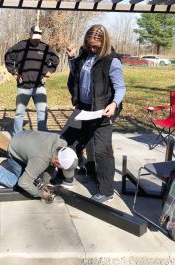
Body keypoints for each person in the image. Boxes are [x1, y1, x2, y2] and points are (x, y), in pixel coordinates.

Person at [62, 24, 126, 204]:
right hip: (83, 108)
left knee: (102, 151)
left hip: (102, 111)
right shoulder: (85, 54)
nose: (92, 48)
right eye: (89, 45)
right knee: (66, 140)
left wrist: (114, 104)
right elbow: (75, 75)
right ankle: (70, 174)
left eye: (96, 46)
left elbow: (120, 87)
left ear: (104, 43)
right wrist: (72, 57)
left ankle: (106, 191)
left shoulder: (111, 60)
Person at [0, 130, 78, 199]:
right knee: (21, 186)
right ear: (57, 162)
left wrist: (44, 184)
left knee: (34, 180)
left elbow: (51, 166)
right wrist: (40, 194)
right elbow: (23, 183)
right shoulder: (41, 160)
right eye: (61, 167)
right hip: (14, 149)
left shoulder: (62, 143)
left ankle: (21, 164)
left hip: (25, 136)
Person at [5, 25, 59, 135]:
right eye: (34, 38)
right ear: (30, 35)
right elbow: (8, 57)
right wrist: (14, 73)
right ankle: (17, 136)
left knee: (42, 112)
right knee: (19, 113)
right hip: (23, 86)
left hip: (39, 86)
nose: (36, 40)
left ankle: (42, 136)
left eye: (38, 38)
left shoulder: (45, 48)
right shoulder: (21, 46)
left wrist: (47, 74)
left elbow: (55, 60)